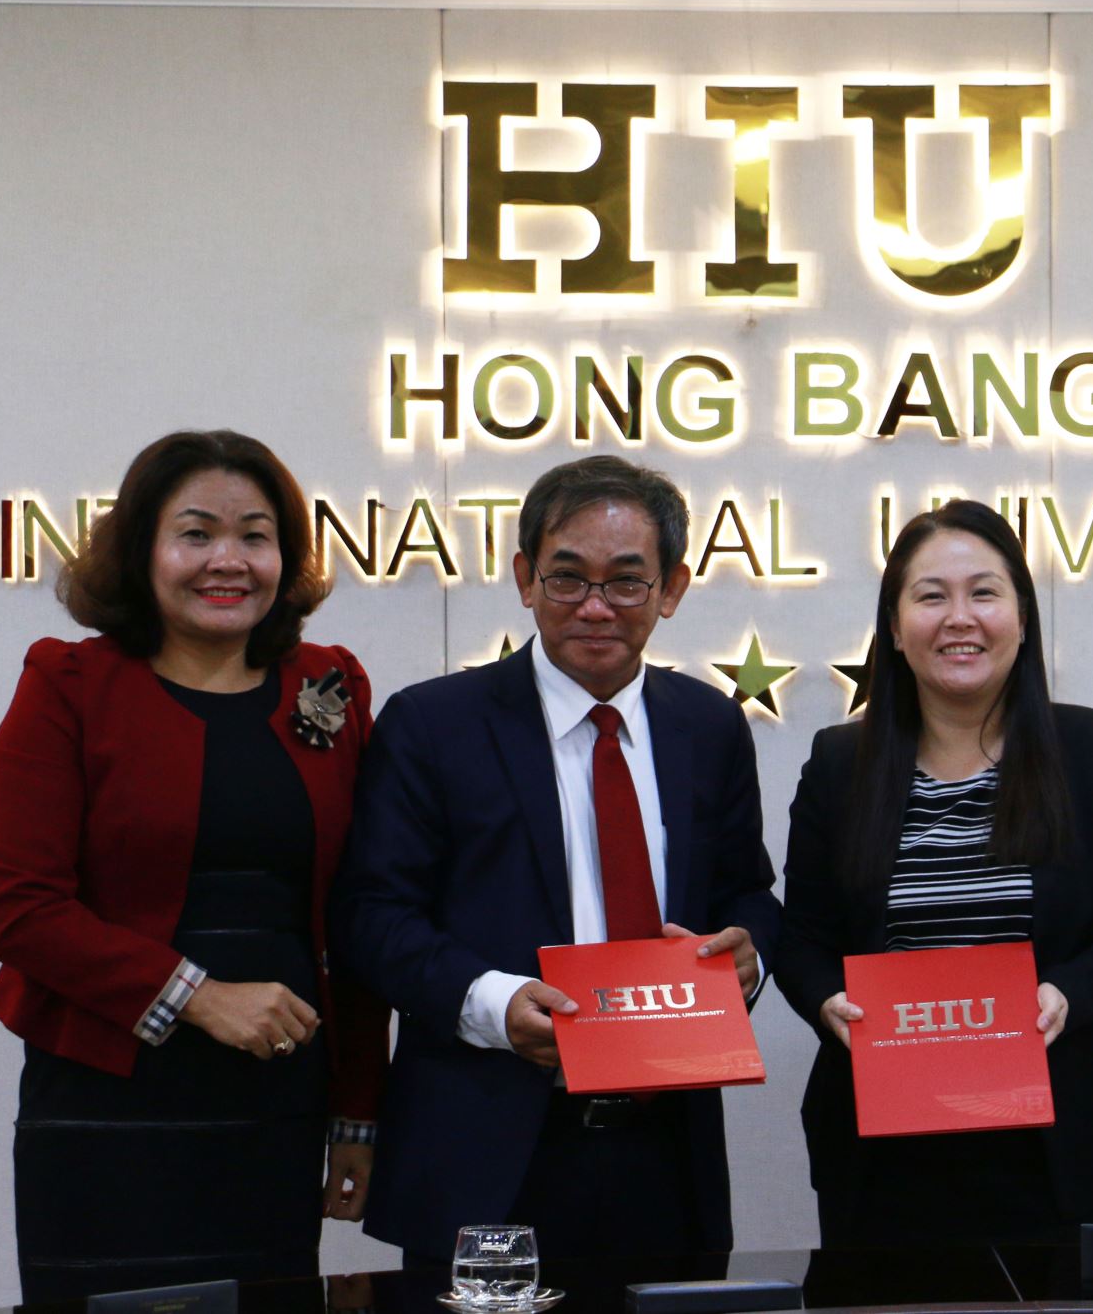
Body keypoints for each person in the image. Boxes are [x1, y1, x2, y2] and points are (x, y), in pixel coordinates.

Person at [332, 455, 782, 1267]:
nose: (596, 606)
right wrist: (493, 1002)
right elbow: (370, 918)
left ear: (672, 589)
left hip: (666, 1155)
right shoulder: (434, 724)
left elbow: (749, 892)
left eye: (626, 581)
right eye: (567, 577)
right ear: (524, 579)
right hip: (488, 1150)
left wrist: (746, 958)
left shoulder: (709, 726)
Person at [0, 429, 383, 1302]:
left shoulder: (332, 685)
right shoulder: (68, 685)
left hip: (276, 1107)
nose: (226, 560)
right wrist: (200, 995)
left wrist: (358, 1111)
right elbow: (20, 907)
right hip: (108, 1107)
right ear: (143, 549)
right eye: (195, 532)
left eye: (255, 534)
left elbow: (356, 915)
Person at [773, 499, 1093, 1246]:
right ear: (895, 628)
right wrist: (826, 1000)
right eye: (931, 596)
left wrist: (1068, 993)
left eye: (984, 592)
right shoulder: (840, 764)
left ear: (1022, 617)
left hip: (1060, 1145)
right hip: (883, 1149)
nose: (959, 616)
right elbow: (802, 936)